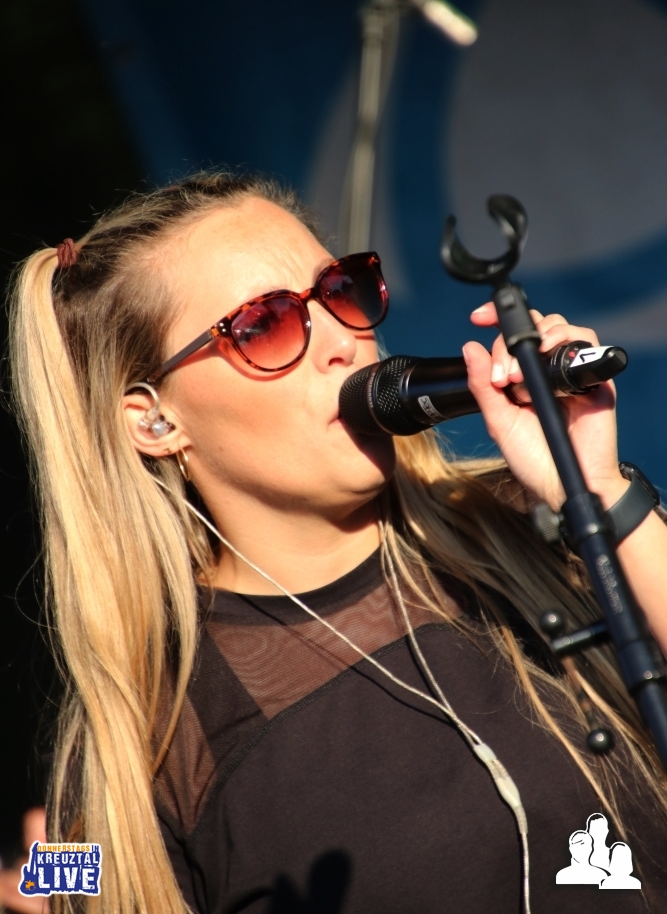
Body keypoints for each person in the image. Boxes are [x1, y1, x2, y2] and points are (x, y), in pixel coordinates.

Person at [8, 171, 667, 914]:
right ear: (155, 422)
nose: (341, 343)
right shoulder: (145, 739)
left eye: (340, 289)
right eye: (265, 324)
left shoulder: (546, 523)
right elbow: (64, 876)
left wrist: (600, 492)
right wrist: (35, 888)